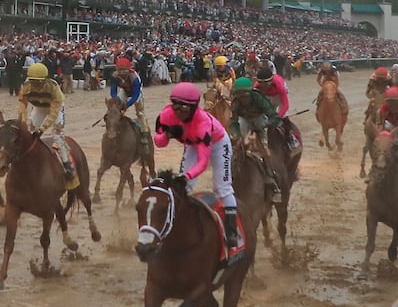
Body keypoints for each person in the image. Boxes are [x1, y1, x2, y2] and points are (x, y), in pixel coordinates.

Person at [153, 82, 243, 256]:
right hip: (191, 142)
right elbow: (158, 142)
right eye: (175, 106)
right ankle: (174, 226)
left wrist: (187, 175)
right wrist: (167, 134)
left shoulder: (202, 123)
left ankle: (232, 233)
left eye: (184, 108)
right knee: (182, 189)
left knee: (222, 188)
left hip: (218, 143)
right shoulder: (166, 115)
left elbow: (202, 162)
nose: (178, 112)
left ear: (194, 108)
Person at [226, 76, 284, 203]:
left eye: (245, 96)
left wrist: (263, 125)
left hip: (260, 118)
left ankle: (271, 179)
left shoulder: (259, 98)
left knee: (264, 148)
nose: (243, 99)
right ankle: (230, 176)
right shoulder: (235, 102)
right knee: (235, 147)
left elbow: (274, 117)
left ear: (251, 93)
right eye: (240, 97)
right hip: (244, 120)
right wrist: (235, 134)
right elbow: (234, 121)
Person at [17, 61, 75, 184]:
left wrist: (42, 129)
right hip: (38, 107)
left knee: (57, 136)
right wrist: (22, 121)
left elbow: (53, 113)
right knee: (29, 133)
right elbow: (22, 104)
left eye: (38, 82)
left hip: (55, 108)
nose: (35, 84)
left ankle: (67, 164)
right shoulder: (26, 86)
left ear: (45, 79)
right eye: (33, 81)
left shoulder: (53, 87)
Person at [108, 57, 151, 142]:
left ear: (129, 69)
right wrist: (116, 100)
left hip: (136, 92)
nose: (122, 73)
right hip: (124, 90)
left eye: (124, 71)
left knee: (140, 112)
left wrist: (126, 106)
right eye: (120, 71)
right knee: (116, 108)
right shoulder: (115, 76)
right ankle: (115, 127)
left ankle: (144, 133)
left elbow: (135, 96)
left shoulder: (135, 78)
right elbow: (113, 90)